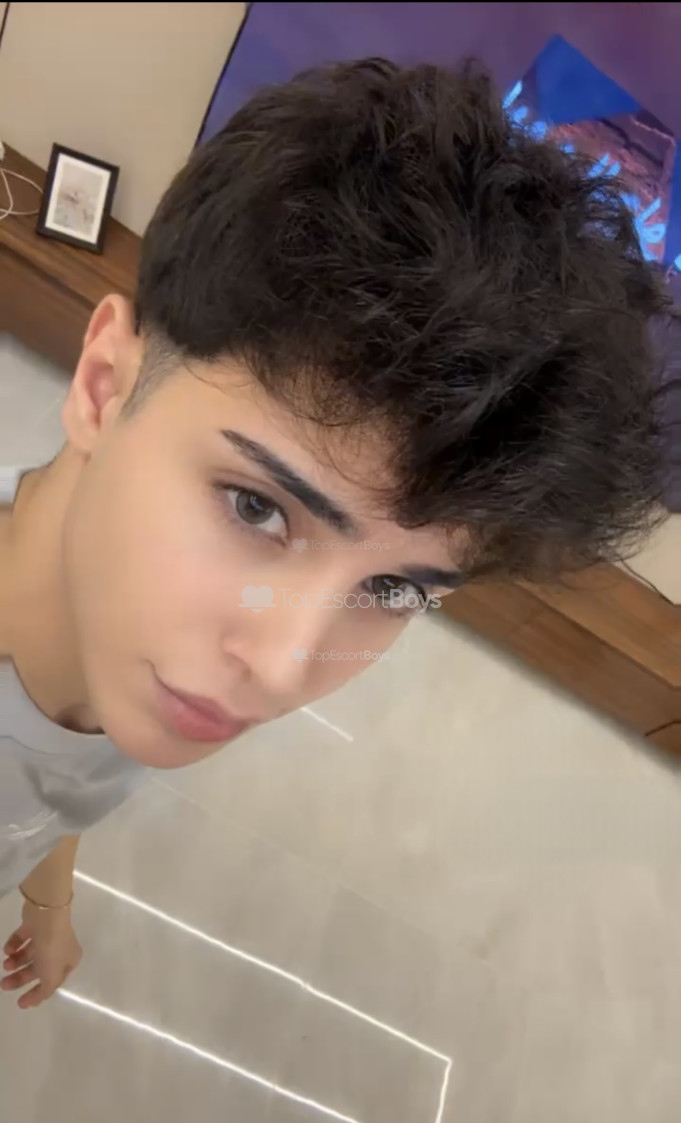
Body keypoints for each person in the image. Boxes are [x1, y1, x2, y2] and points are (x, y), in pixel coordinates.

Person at [0, 58, 671, 1009]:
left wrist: (47, 899)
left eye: (393, 589)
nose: (283, 669)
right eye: (256, 508)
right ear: (103, 386)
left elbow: (65, 762)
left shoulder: (133, 649)